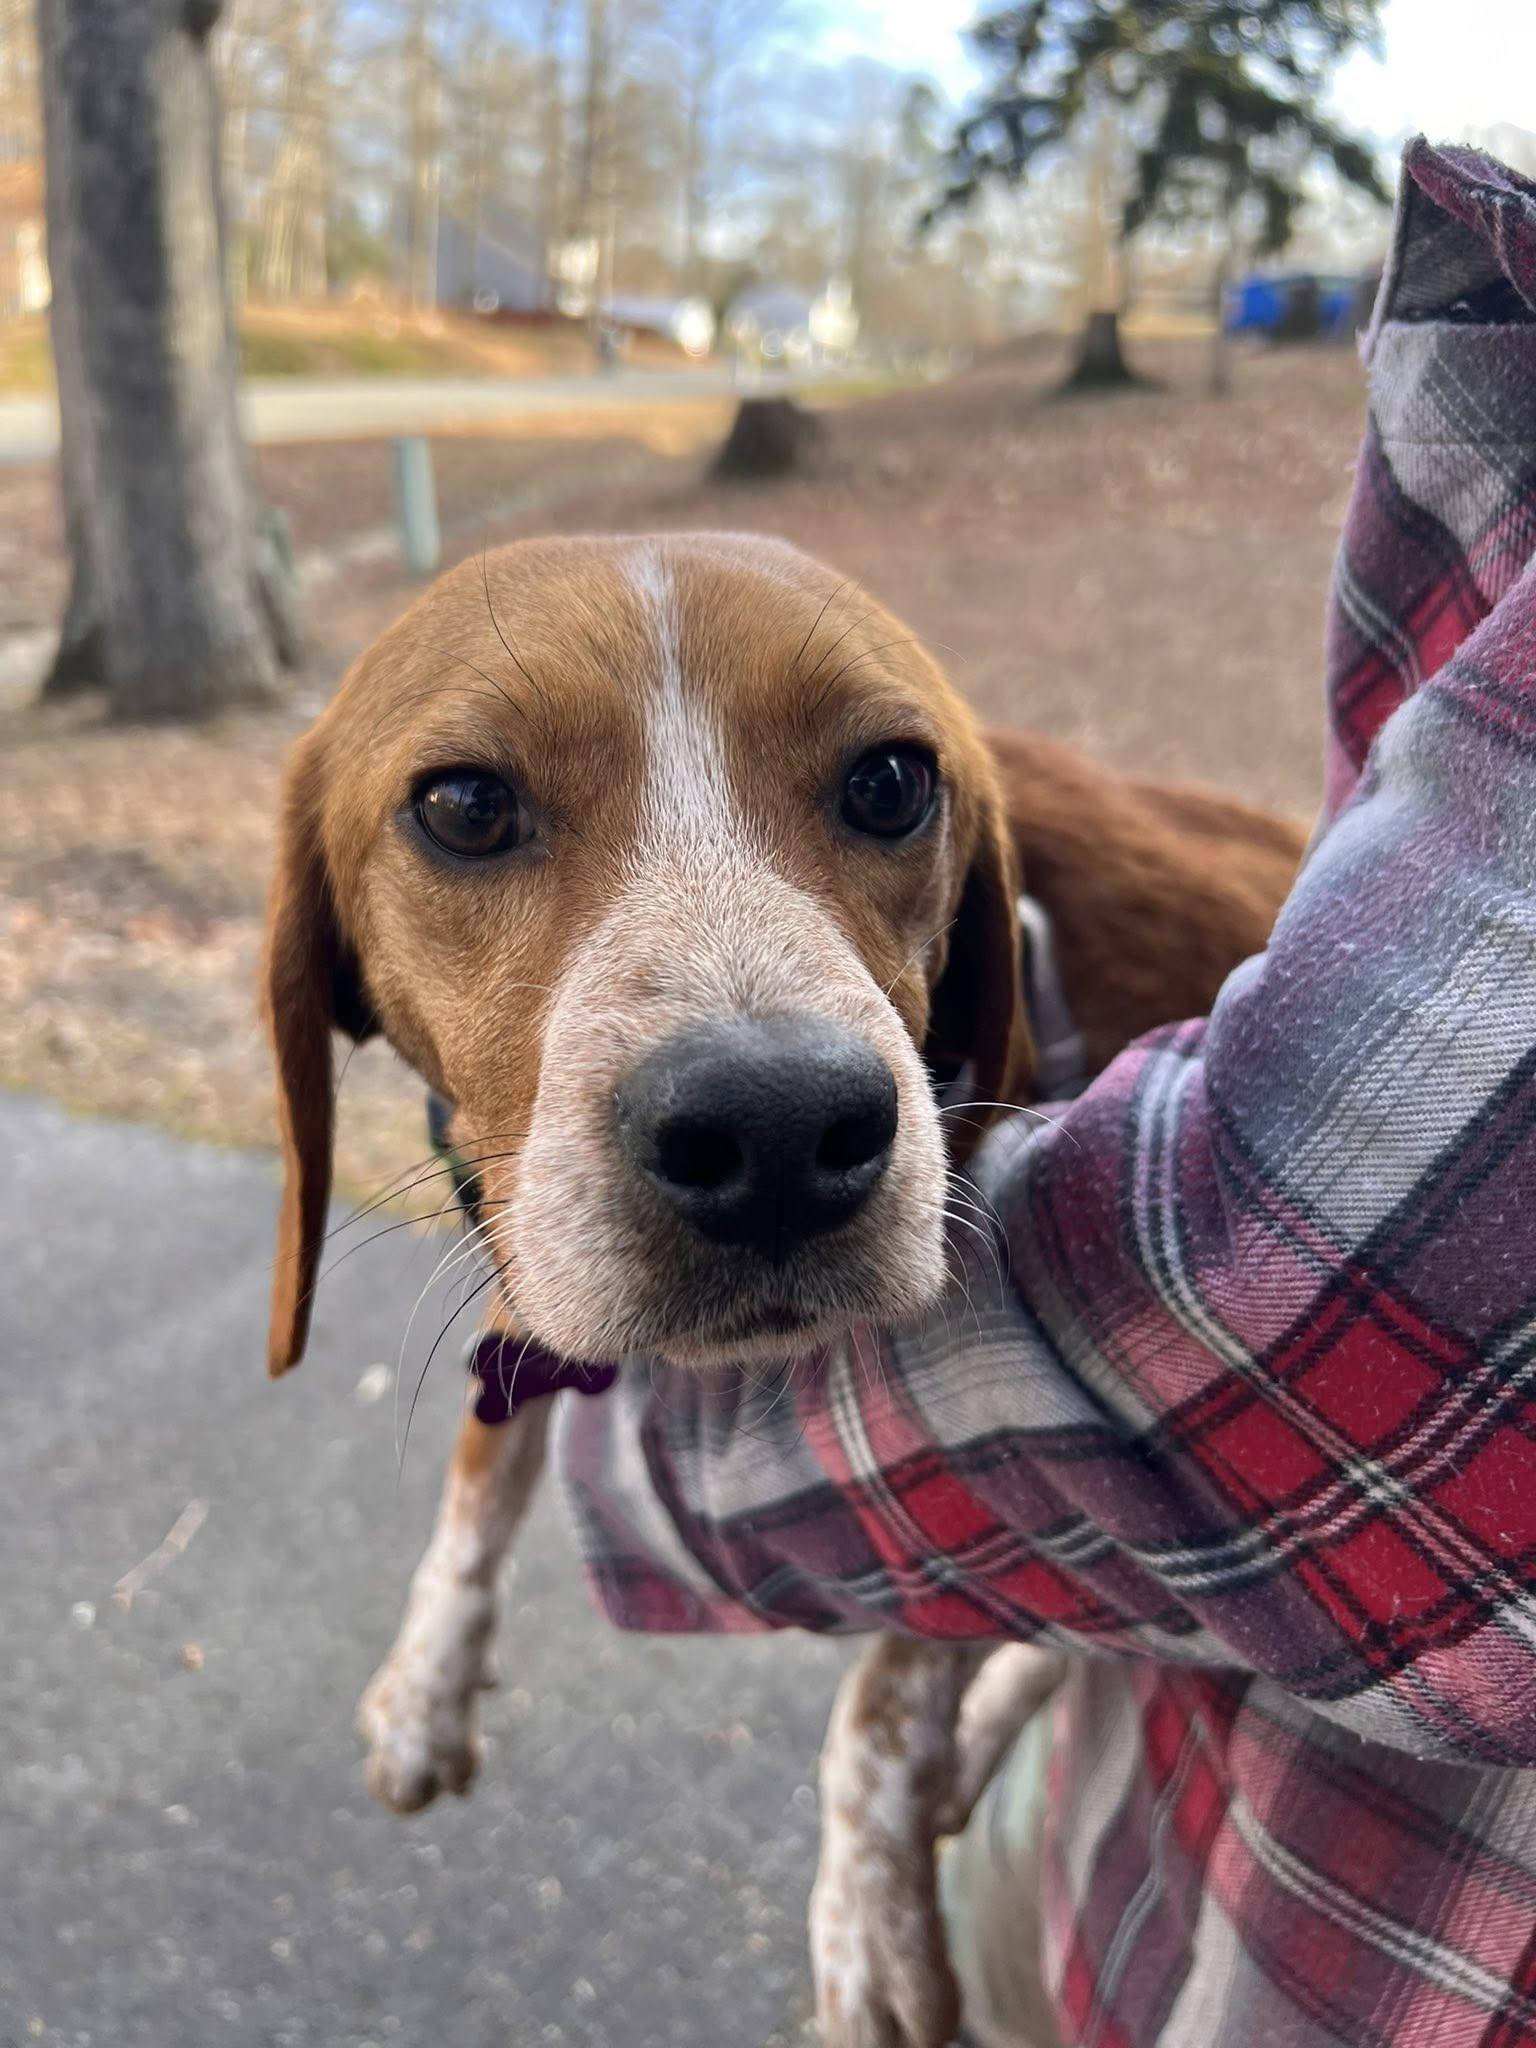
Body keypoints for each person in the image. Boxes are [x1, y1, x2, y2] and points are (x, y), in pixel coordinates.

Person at [560, 141, 1536, 2047]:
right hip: (1147, 1819)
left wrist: (632, 1446)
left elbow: (1273, 1327)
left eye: (879, 797)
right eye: (475, 822)